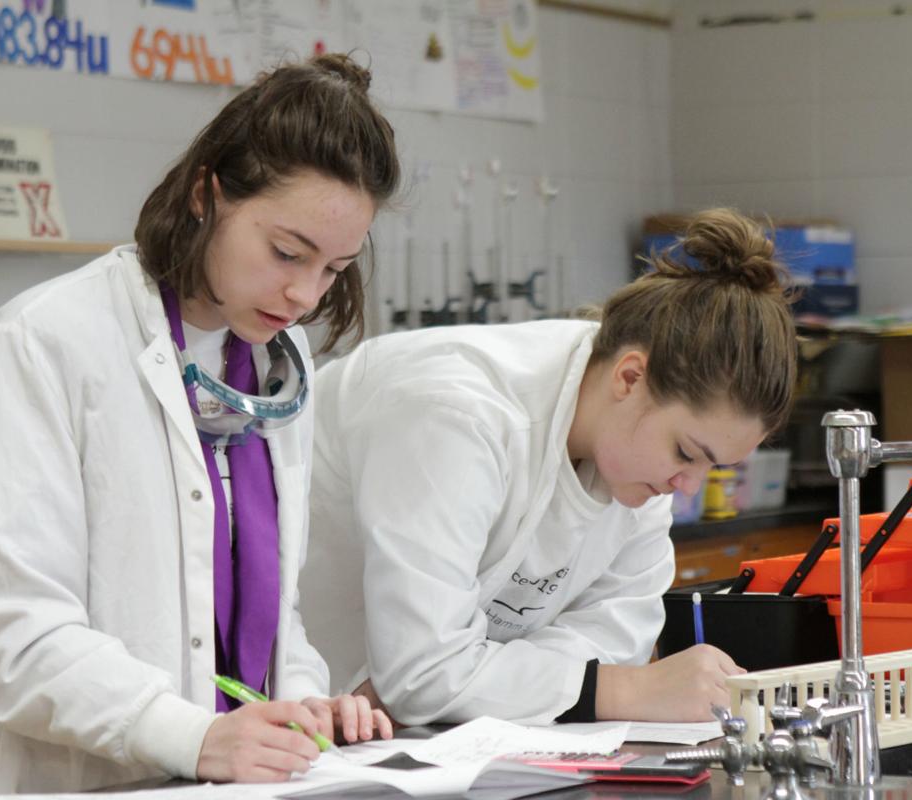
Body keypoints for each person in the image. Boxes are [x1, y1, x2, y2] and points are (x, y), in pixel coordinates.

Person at [0, 54, 400, 799]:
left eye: (333, 268)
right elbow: (15, 637)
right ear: (204, 194)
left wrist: (300, 701)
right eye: (287, 252)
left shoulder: (279, 367)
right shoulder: (45, 342)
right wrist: (194, 734)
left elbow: (259, 607)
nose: (303, 293)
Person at [298, 208, 797, 726]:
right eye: (687, 453)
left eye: (712, 467)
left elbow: (618, 637)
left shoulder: (634, 462)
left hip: (402, 735)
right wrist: (626, 689)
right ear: (630, 377)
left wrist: (477, 680)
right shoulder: (457, 412)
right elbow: (424, 675)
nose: (687, 486)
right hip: (283, 707)